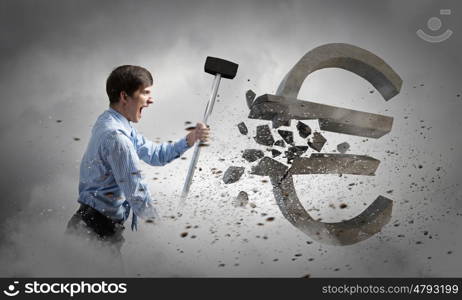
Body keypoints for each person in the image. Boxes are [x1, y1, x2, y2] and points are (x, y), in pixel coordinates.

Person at [66, 65, 209, 253]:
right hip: (93, 233)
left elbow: (156, 154)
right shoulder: (117, 138)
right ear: (124, 97)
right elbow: (137, 194)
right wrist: (167, 236)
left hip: (94, 228)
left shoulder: (114, 122)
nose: (151, 100)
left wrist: (191, 138)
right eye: (145, 93)